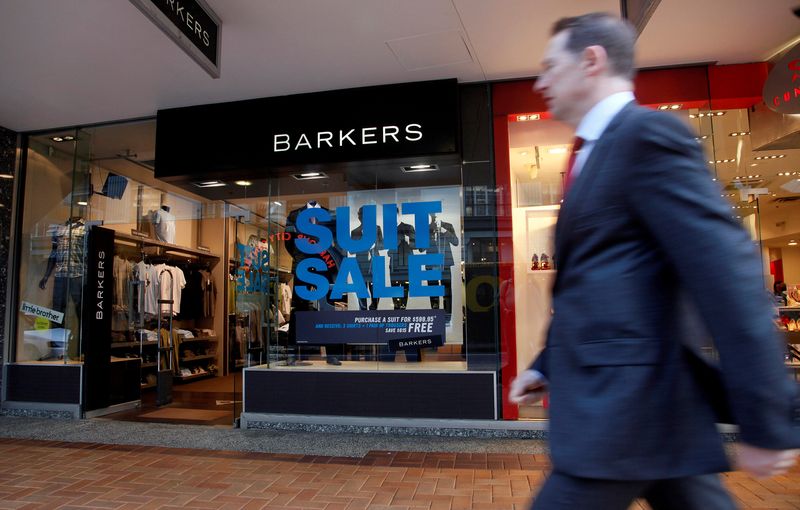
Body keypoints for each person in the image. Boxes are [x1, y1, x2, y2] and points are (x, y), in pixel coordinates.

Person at [508, 12, 800, 510]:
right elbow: (592, 286)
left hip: (621, 417)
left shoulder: (646, 137)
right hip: (650, 415)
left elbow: (727, 272)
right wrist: (546, 365)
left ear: (592, 61)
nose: (541, 81)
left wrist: (766, 416)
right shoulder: (590, 154)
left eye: (550, 66)